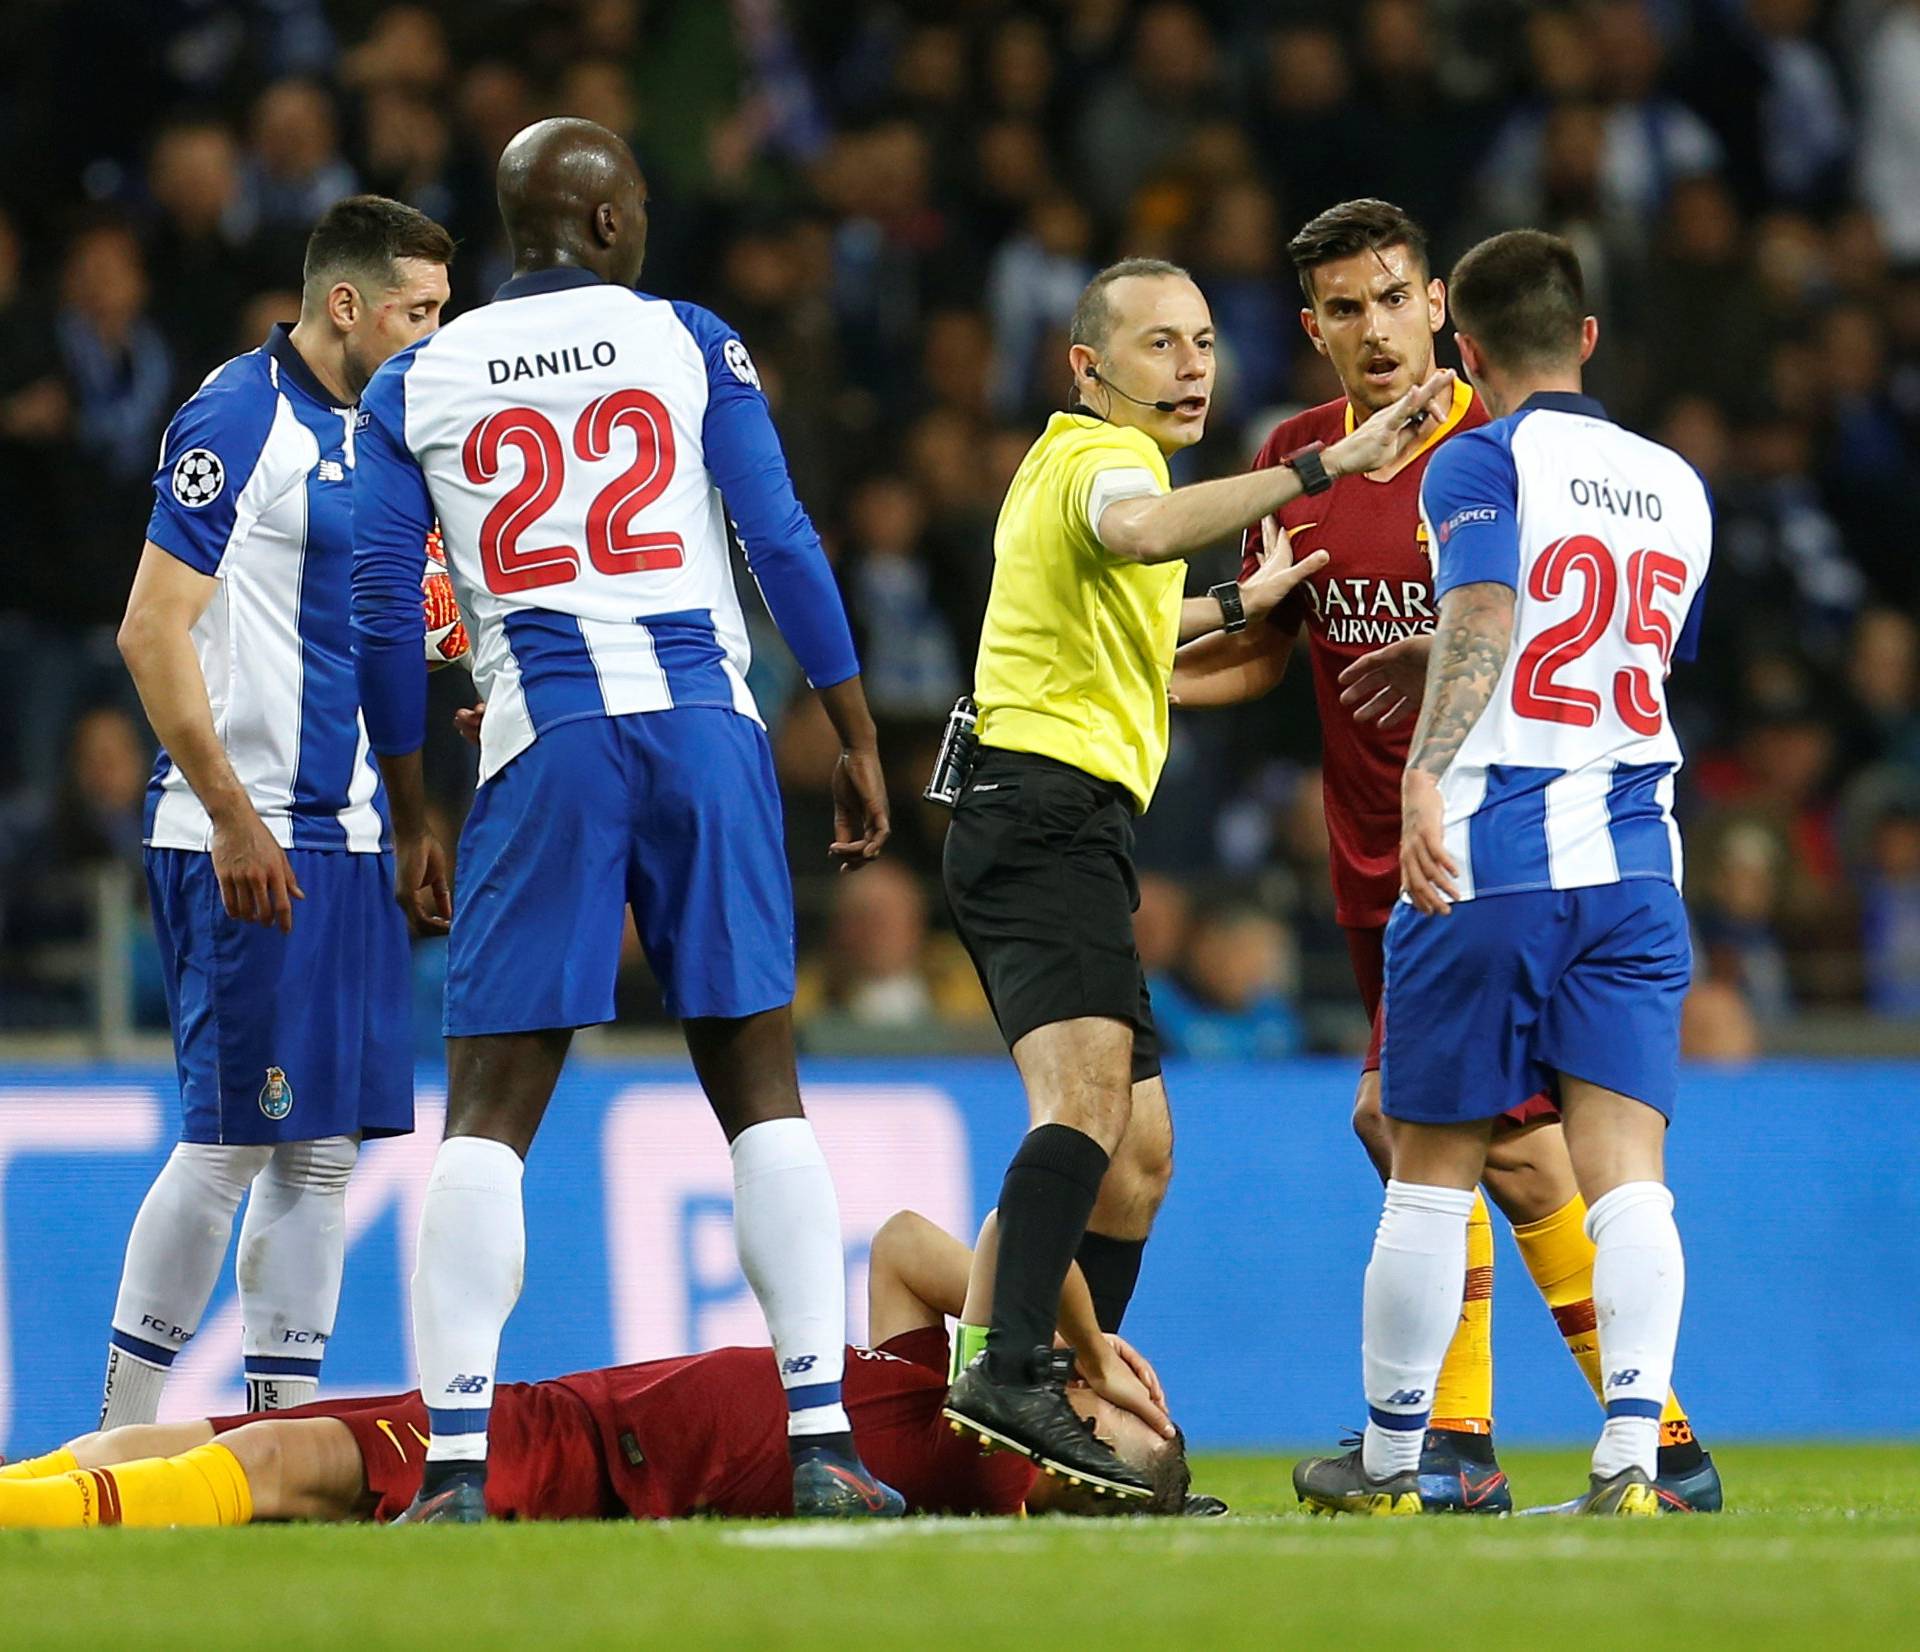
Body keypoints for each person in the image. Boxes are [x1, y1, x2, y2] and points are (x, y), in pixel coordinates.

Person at [349, 118, 896, 1523]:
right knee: (761, 1090)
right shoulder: (687, 339)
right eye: (638, 199)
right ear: (599, 223)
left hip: (546, 739)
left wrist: (415, 811)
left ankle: (459, 1470)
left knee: (485, 1115)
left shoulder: (417, 379)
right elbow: (780, 538)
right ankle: (824, 1448)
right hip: (708, 730)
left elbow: (374, 611)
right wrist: (848, 725)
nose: (647, 219)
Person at [1172, 198, 1719, 1514]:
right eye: (1345, 308)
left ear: (1445, 317)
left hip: (1471, 848)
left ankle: (1446, 1446)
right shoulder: (1301, 459)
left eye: (1395, 297)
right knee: (1526, 1156)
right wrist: (1131, 684)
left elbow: (1490, 621)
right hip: (1400, 863)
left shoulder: (1493, 454)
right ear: (1312, 330)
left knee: (1416, 1130)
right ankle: (1651, 1449)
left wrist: (1434, 753)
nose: (1375, 328)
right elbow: (1270, 646)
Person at [938, 253, 1454, 1500]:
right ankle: (1006, 1367)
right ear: (1089, 366)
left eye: (1204, 342)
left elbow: (1130, 605)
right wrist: (1324, 466)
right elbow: (1138, 528)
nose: (1190, 366)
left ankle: (1056, 1401)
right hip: (1040, 810)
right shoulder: (1103, 462)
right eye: (1159, 344)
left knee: (1139, 1147)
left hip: (1067, 819)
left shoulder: (1081, 475)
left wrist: (1242, 600)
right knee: (1083, 1105)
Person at [104, 197, 452, 1432]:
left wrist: (410, 814)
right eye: (417, 312)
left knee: (323, 1154)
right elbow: (152, 630)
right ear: (346, 304)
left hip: (351, 838)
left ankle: (267, 1445)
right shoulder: (238, 415)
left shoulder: (391, 428)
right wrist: (233, 811)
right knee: (227, 1147)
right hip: (249, 838)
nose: (432, 336)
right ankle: (124, 1428)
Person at [0, 1210, 1187, 1526]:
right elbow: (907, 1246)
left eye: (1112, 1456)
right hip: (583, 1409)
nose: (1094, 1436)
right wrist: (1073, 1356)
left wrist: (1084, 1350)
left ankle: (25, 1510)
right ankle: (29, 1483)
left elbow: (1000, 1229)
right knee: (223, 1441)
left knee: (285, 1458)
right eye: (1114, 1424)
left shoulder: (993, 1463)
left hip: (603, 1459)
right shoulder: (946, 1379)